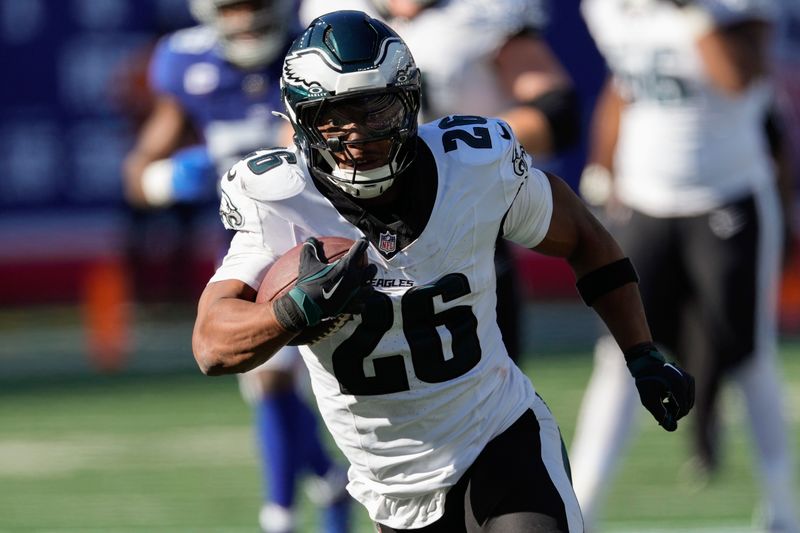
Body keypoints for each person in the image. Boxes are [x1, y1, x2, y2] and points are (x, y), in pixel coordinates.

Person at [192, 10, 695, 532]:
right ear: (300, 123)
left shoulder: (473, 166)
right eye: (333, 116)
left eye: (375, 109)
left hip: (499, 436)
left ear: (410, 103)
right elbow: (211, 343)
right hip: (392, 487)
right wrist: (292, 311)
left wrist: (642, 353)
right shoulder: (283, 202)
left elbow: (586, 238)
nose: (358, 134)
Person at [121, 1, 350, 532]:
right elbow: (136, 171)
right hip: (249, 244)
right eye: (232, 5)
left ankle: (290, 509)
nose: (246, 18)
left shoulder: (312, 52)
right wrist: (164, 181)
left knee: (289, 380)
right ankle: (318, 491)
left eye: (255, 3)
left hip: (324, 232)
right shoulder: (187, 64)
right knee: (267, 379)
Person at [571, 0, 800, 531]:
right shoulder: (609, 9)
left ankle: (782, 509)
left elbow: (741, 77)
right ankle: (582, 505)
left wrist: (692, 12)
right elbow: (625, 83)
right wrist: (603, 165)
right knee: (620, 353)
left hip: (728, 197)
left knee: (746, 353)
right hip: (645, 199)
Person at [299, 0, 581, 361]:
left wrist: (461, 158)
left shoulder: (485, 11)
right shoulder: (331, 10)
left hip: (464, 213)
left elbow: (558, 111)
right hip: (356, 216)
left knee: (490, 380)